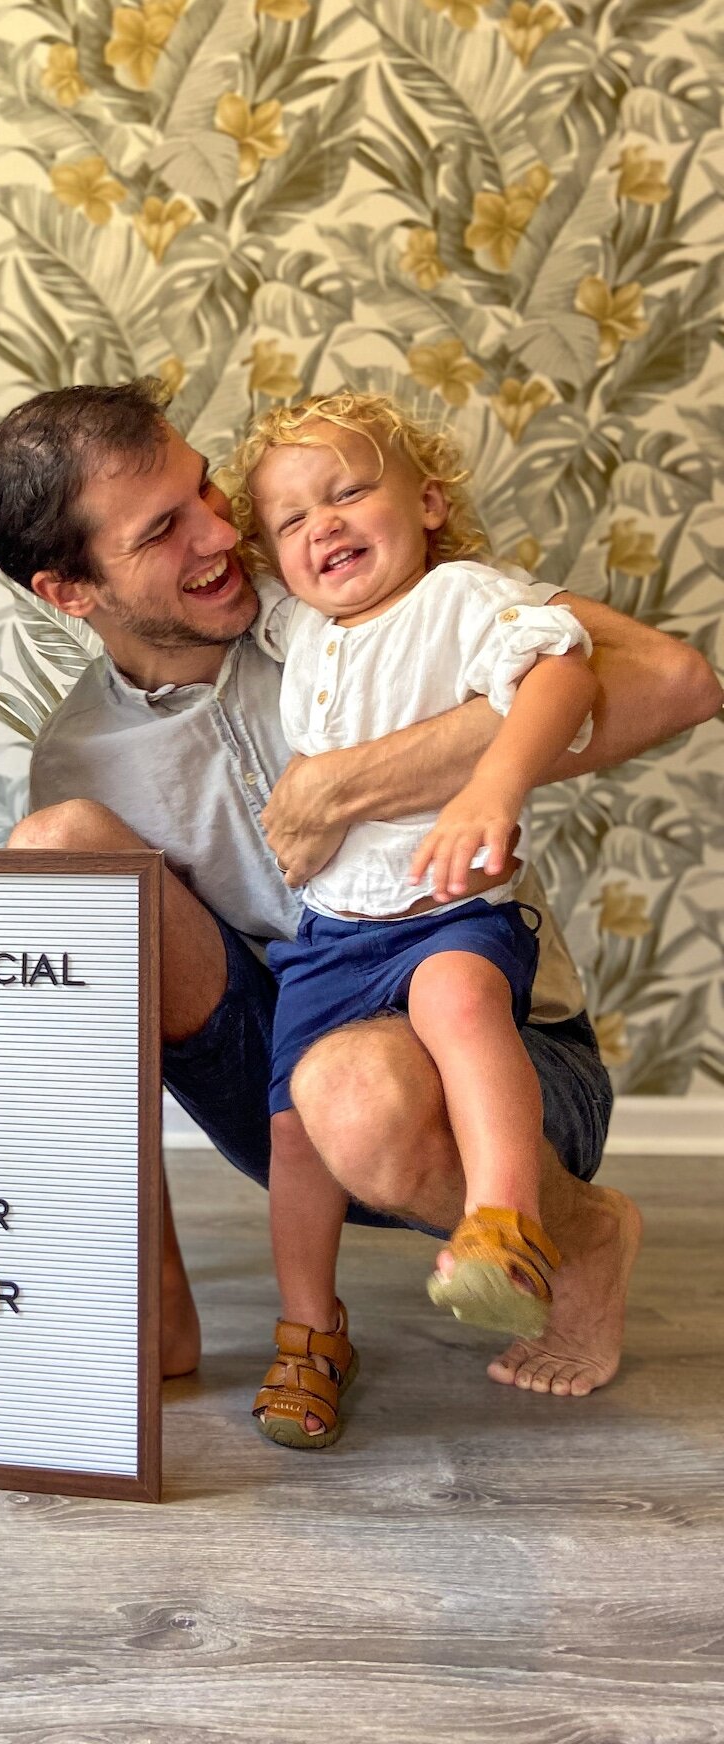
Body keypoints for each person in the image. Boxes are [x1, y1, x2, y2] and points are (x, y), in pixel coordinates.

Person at [0, 379, 721, 1411]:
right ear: (70, 590)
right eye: (163, 529)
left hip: (483, 1049)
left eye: (204, 492)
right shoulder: (80, 757)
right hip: (286, 1054)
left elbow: (676, 680)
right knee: (52, 848)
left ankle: (581, 1228)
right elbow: (94, 1048)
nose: (219, 532)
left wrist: (351, 779)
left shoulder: (359, 606)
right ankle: (164, 1300)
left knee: (356, 1091)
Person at [229, 391, 597, 1447]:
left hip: (449, 905)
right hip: (333, 930)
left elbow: (562, 666)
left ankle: (504, 1225)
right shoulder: (295, 623)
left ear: (428, 500)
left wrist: (495, 789)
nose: (322, 526)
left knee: (456, 996)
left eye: (349, 491)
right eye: (291, 519)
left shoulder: (462, 598)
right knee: (295, 1130)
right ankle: (308, 1336)